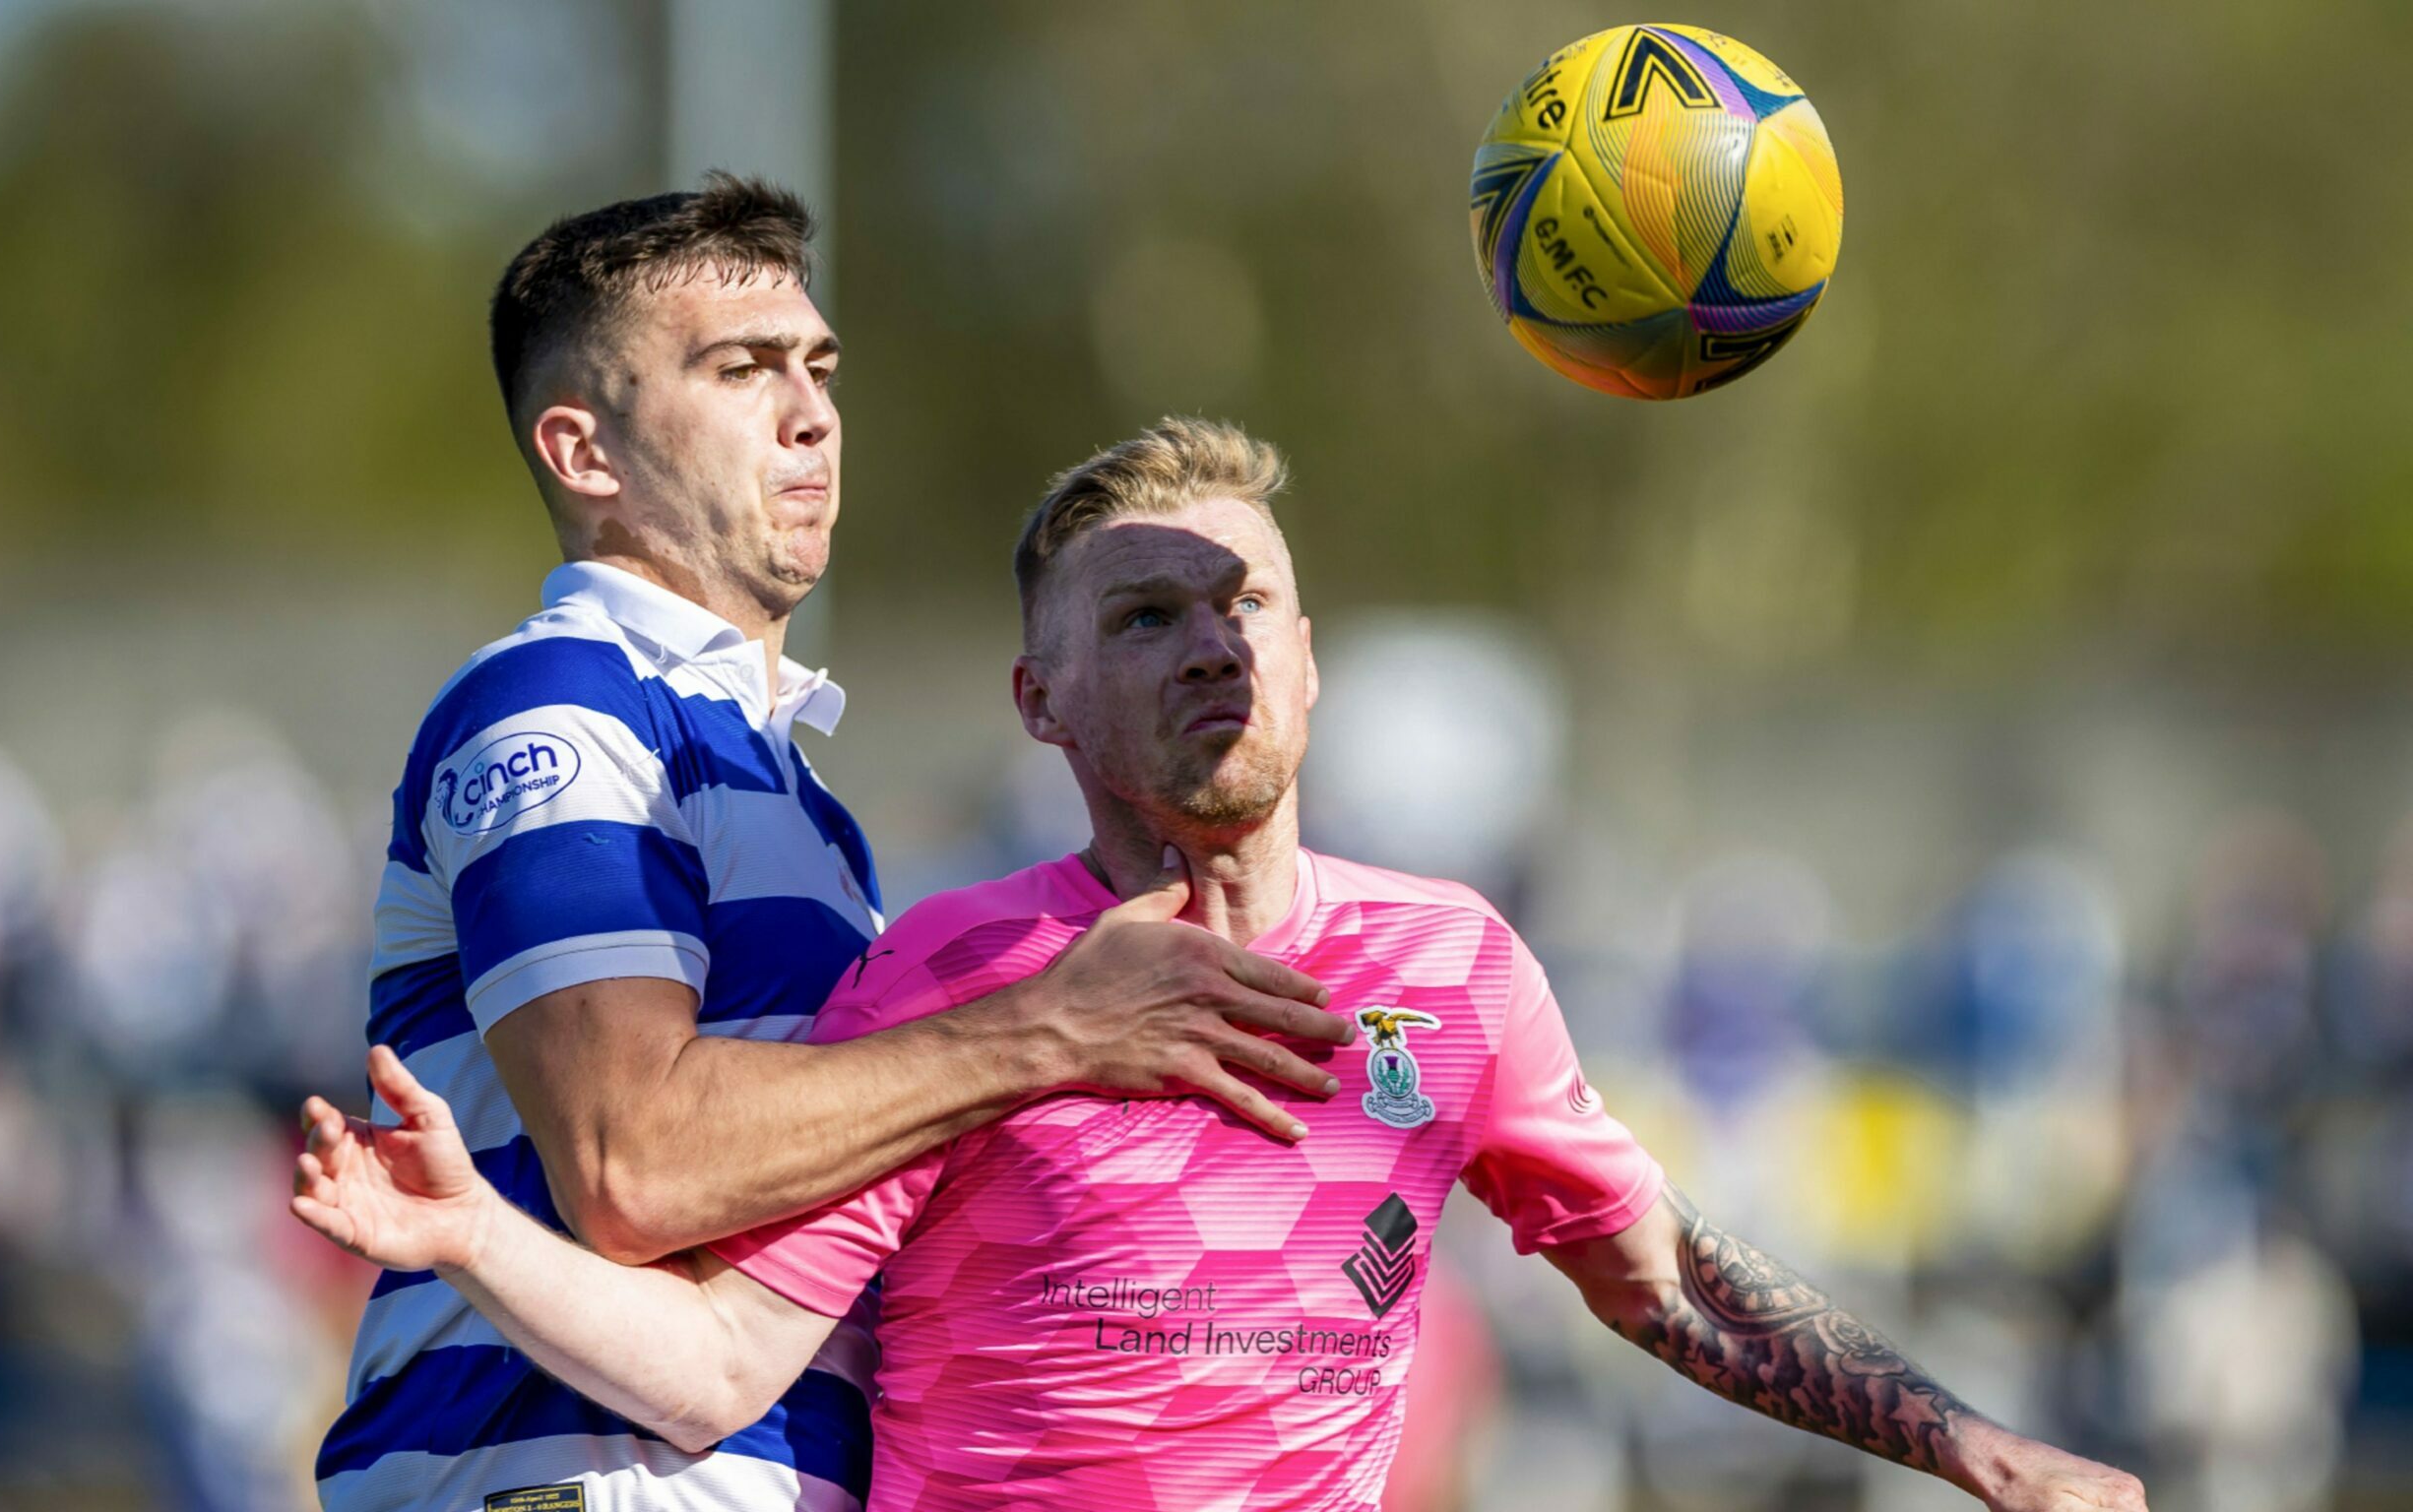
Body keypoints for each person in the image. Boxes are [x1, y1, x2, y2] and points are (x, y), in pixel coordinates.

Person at [298, 418, 2149, 1512]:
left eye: (1243, 599)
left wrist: (1990, 1455)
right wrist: (478, 1236)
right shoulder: (951, 981)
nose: (1212, 644)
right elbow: (718, 1366)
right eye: (1146, 613)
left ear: (1313, 658)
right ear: (1043, 699)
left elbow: (1668, 1284)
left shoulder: (1454, 969)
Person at [313, 186, 1352, 1512]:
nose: (810, 413)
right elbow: (635, 1166)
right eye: (740, 369)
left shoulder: (791, 789)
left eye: (818, 367)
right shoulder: (562, 710)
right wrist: (1043, 1033)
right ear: (584, 451)